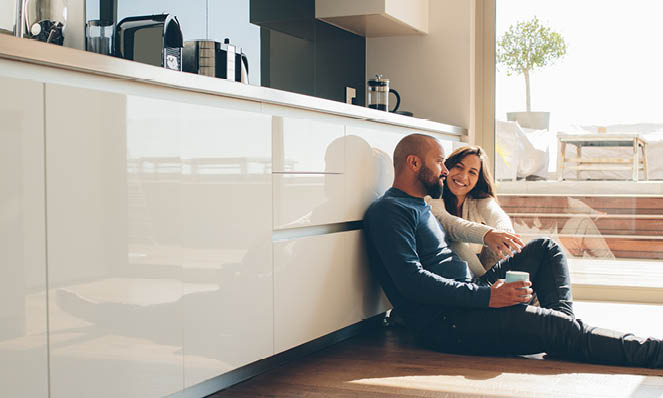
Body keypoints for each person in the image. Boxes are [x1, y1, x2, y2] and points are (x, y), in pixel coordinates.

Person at [363, 133, 663, 368]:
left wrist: (484, 290)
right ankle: (652, 352)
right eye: (440, 162)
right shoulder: (389, 211)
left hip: (470, 297)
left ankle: (560, 332)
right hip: (449, 323)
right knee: (557, 328)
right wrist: (488, 297)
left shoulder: (421, 205)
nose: (444, 171)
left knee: (546, 248)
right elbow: (411, 282)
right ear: (414, 163)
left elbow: (464, 227)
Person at [430, 146, 515, 277]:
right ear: (448, 167)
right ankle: (487, 286)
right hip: (450, 270)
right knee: (455, 241)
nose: (463, 176)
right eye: (459, 166)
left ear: (478, 179)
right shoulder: (433, 195)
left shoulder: (478, 200)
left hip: (480, 266)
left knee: (546, 246)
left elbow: (497, 216)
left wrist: (505, 236)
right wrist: (487, 234)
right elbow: (448, 222)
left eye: (472, 172)